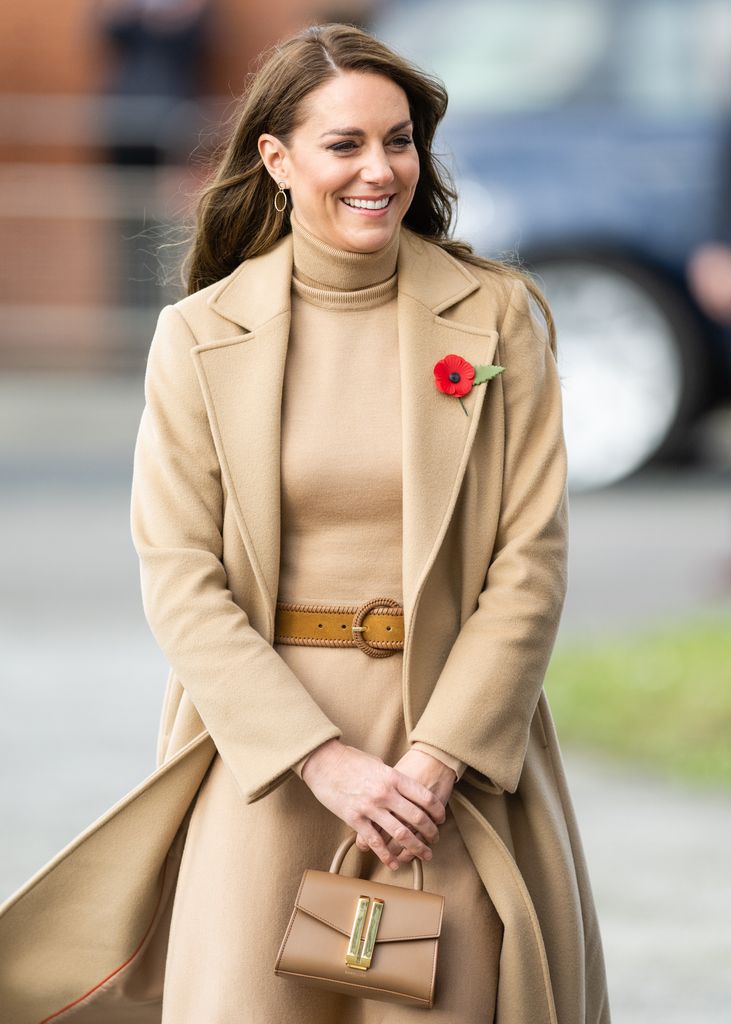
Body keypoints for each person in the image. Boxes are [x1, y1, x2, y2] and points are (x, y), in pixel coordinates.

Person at [0, 22, 611, 1024]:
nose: (380, 169)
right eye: (345, 144)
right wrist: (320, 761)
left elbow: (528, 564)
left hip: (446, 766)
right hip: (269, 764)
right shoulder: (197, 336)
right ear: (276, 159)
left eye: (399, 140)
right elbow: (179, 576)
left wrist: (433, 761)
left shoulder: (498, 317)